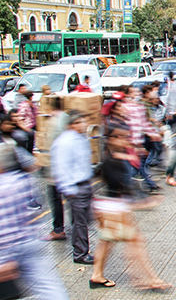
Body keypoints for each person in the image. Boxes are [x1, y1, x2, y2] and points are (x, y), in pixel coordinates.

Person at [90, 126, 172, 290]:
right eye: (121, 137)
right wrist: (143, 203)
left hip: (108, 208)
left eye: (127, 137)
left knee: (106, 243)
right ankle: (148, 279)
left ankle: (97, 276)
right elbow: (121, 187)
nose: (126, 140)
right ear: (111, 140)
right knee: (135, 242)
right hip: (114, 210)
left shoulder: (116, 157)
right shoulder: (112, 160)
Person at [0, 144, 69, 299]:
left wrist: (3, 259)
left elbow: (3, 228)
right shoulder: (24, 180)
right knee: (49, 286)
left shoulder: (2, 187)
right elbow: (36, 208)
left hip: (8, 249)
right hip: (31, 242)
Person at [51, 110, 95, 264]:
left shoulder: (81, 138)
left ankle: (81, 248)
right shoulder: (64, 142)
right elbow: (61, 167)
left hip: (84, 184)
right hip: (75, 187)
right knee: (80, 222)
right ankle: (80, 254)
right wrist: (69, 189)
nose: (82, 125)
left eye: (83, 121)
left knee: (84, 220)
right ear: (70, 125)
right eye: (78, 122)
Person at [40, 98, 70, 241]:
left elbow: (51, 146)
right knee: (69, 197)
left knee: (55, 197)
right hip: (68, 167)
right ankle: (75, 226)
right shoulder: (67, 118)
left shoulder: (53, 121)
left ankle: (58, 229)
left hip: (57, 168)